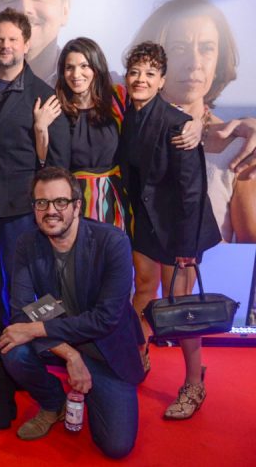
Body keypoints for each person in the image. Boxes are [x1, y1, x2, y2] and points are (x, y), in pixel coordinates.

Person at [0, 167, 144, 459]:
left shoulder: (112, 242)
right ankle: (54, 402)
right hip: (64, 342)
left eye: (60, 202)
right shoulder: (27, 244)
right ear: (34, 208)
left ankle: (96, 391)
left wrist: (38, 329)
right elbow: (20, 311)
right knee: (11, 348)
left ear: (77, 206)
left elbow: (106, 319)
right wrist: (71, 356)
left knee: (116, 447)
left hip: (104, 349)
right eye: (42, 203)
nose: (51, 211)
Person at [119, 42, 221, 420]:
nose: (140, 79)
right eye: (135, 72)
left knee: (181, 309)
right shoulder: (126, 114)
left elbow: (192, 194)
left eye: (149, 73)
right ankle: (137, 356)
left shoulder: (178, 125)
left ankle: (194, 382)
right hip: (145, 225)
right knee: (142, 293)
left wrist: (186, 250)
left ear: (162, 80)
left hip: (181, 230)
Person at [0, 8, 70, 325]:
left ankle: (36, 340)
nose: (4, 45)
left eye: (12, 39)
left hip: (20, 208)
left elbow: (58, 163)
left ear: (26, 44)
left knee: (26, 281)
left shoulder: (45, 95)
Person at [131, 0, 256, 243]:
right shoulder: (118, 132)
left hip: (209, 282)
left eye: (207, 48)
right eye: (179, 48)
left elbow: (249, 256)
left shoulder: (241, 149)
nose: (195, 63)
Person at [32, 37, 131, 233]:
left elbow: (154, 115)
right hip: (73, 200)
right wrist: (40, 127)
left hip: (115, 197)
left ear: (96, 67)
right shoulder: (55, 107)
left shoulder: (118, 98)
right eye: (69, 68)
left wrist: (197, 122)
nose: (76, 74)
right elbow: (45, 162)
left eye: (84, 66)